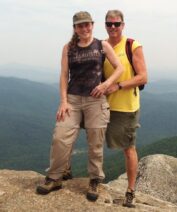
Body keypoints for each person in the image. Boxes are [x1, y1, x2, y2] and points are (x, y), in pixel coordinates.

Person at [36, 11, 123, 202]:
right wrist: (63, 101)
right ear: (75, 28)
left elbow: (119, 68)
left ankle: (94, 180)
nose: (84, 28)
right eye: (80, 25)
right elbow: (63, 75)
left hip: (95, 100)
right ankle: (54, 177)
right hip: (73, 100)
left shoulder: (102, 45)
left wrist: (106, 85)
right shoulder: (68, 48)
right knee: (61, 136)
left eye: (87, 24)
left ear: (92, 25)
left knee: (95, 142)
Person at [103, 10, 148, 208]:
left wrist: (119, 85)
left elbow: (143, 76)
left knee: (128, 149)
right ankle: (93, 180)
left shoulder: (132, 45)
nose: (113, 27)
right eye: (109, 23)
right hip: (103, 105)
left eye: (117, 24)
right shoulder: (102, 46)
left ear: (123, 24)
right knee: (93, 141)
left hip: (126, 107)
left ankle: (130, 191)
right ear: (105, 25)